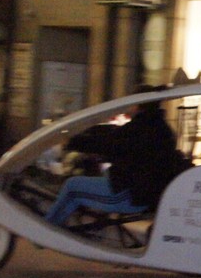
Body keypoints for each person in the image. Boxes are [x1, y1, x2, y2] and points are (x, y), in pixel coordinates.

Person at [45, 85, 182, 227]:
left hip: (129, 194)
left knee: (72, 186)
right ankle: (60, 227)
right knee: (82, 186)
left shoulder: (142, 128)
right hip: (141, 192)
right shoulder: (158, 126)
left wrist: (71, 141)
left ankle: (46, 229)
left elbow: (108, 143)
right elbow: (116, 141)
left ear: (138, 104)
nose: (129, 106)